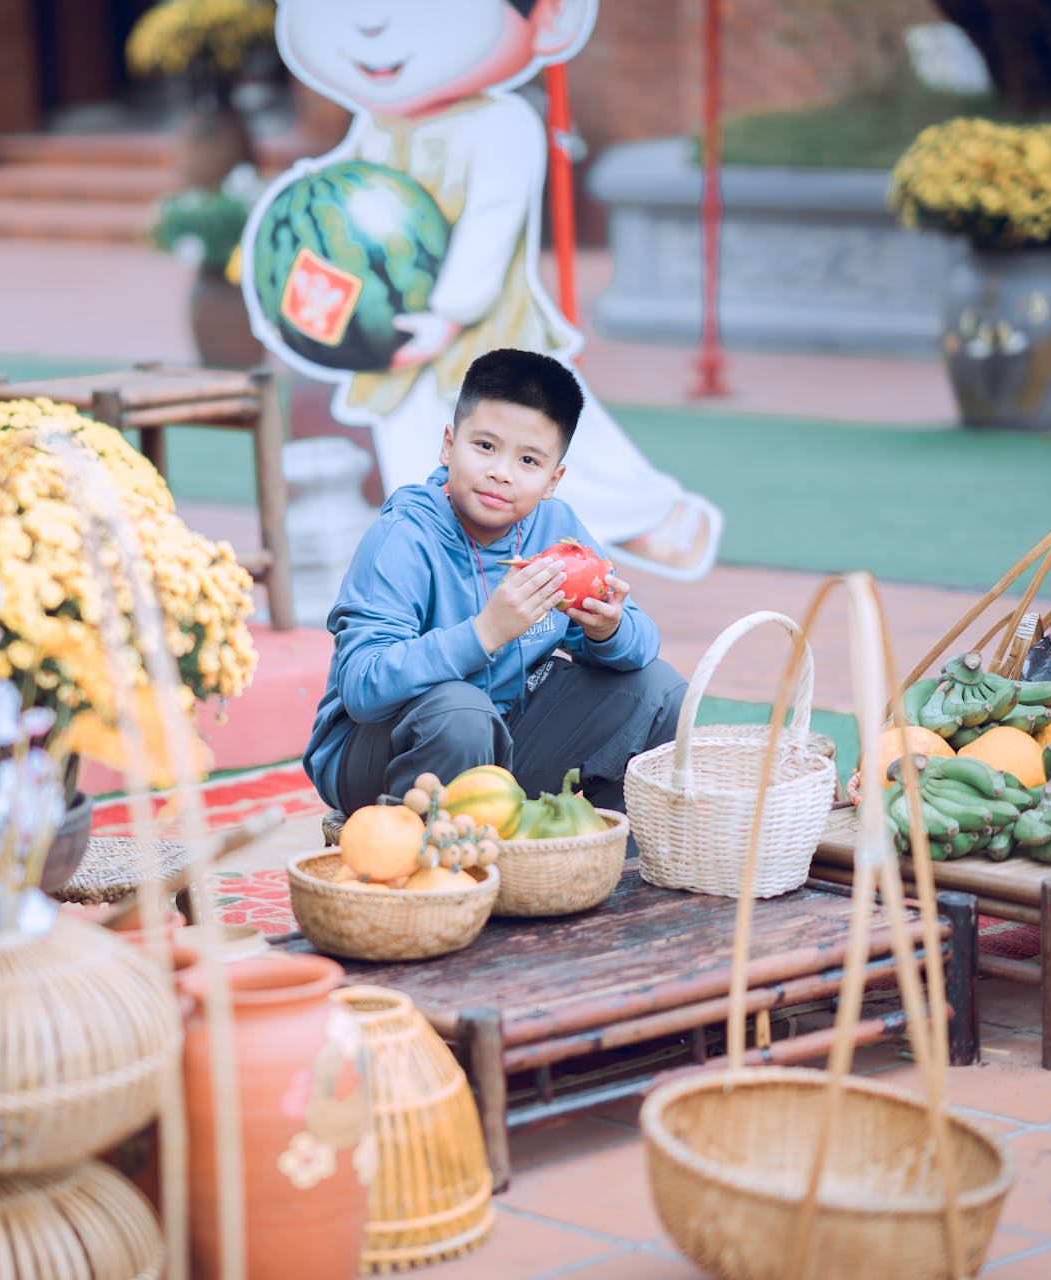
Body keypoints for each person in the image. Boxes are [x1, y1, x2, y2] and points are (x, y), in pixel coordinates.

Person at [250, 0, 723, 580]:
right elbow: (343, 207)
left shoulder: (501, 125)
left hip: (489, 327)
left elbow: (490, 223)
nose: (372, 25)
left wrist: (449, 313)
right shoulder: (377, 125)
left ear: (546, 16)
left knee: (544, 427)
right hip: (397, 336)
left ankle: (649, 514)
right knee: (421, 445)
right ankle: (443, 560)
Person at [303, 349, 689, 816]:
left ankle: (616, 867)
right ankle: (436, 870)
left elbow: (639, 643)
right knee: (461, 713)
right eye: (485, 447)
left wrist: (607, 630)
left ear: (553, 479)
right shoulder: (402, 538)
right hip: (379, 756)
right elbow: (364, 687)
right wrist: (485, 632)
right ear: (449, 445)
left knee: (659, 691)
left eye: (528, 460)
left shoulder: (554, 528)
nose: (501, 473)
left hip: (503, 737)